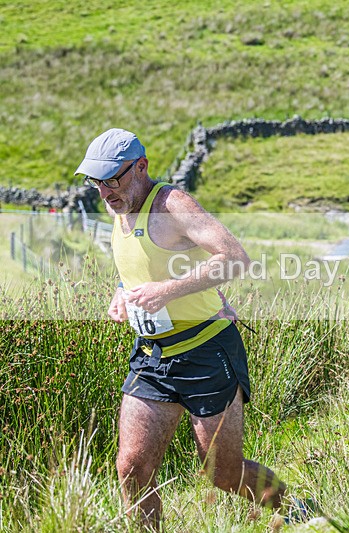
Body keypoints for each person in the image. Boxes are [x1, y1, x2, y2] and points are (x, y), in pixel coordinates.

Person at [74, 129, 301, 529]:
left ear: (140, 167)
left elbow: (235, 258)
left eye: (113, 179)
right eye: (96, 182)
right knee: (132, 468)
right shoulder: (117, 207)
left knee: (223, 475)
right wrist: (122, 293)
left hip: (205, 350)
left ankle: (295, 508)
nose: (105, 192)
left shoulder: (172, 204)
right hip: (151, 355)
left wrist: (167, 290)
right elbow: (140, 262)